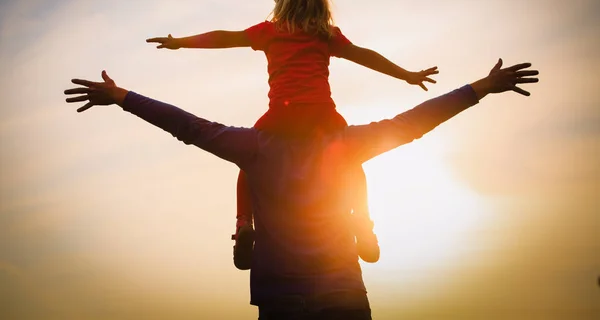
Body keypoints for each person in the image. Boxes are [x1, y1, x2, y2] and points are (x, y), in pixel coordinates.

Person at [64, 58, 538, 320]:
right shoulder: (347, 145)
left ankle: (246, 228)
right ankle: (361, 226)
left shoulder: (253, 147)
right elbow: (412, 123)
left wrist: (123, 97)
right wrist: (479, 87)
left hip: (278, 293)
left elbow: (190, 126)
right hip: (342, 291)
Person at [145, 0, 439, 270]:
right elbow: (365, 56)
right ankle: (361, 221)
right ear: (320, 2)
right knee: (353, 160)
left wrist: (181, 41)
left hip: (281, 115)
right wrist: (407, 76)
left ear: (283, 0)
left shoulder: (270, 31)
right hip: (322, 115)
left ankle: (244, 223)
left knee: (247, 159)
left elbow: (224, 37)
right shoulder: (327, 35)